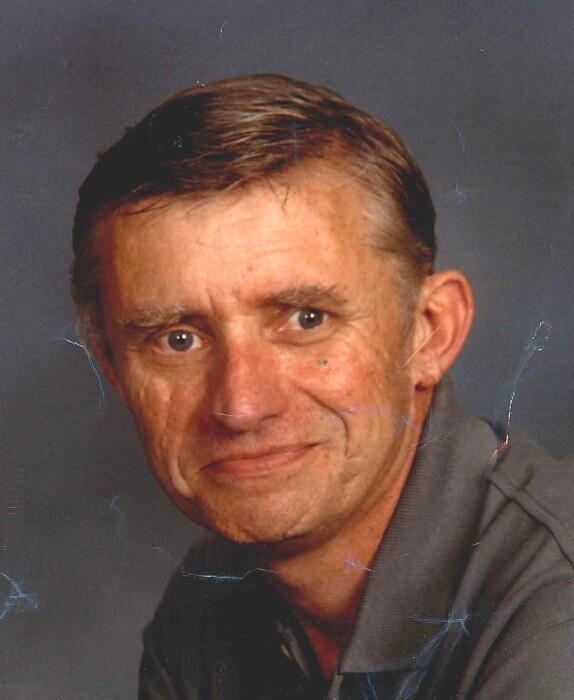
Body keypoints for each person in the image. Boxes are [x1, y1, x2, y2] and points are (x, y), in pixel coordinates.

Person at [70, 75, 574, 699]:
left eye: (307, 319)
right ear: (114, 372)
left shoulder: (555, 604)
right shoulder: (206, 602)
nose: (241, 405)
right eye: (178, 340)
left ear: (430, 333)